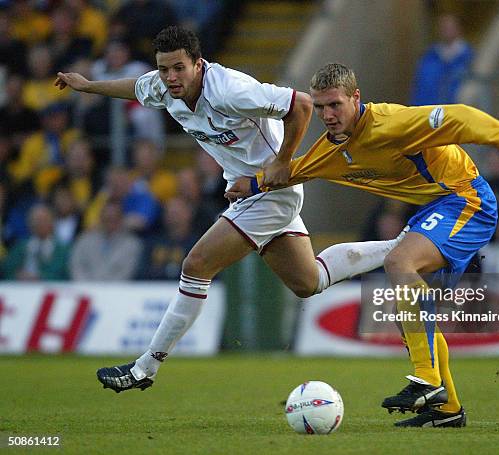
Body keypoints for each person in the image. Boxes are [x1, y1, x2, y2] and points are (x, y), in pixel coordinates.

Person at [55, 27, 400, 393]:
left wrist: (281, 163)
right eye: (163, 69)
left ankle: (145, 368)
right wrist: (88, 85)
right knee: (308, 281)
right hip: (246, 191)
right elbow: (134, 88)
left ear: (198, 64)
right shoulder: (162, 86)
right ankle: (402, 245)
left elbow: (299, 104)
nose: (171, 77)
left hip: (271, 192)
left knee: (196, 265)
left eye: (178, 69)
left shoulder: (229, 89)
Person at [227, 63, 499, 428]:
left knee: (399, 263)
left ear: (356, 98)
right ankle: (448, 410)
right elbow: (294, 170)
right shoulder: (332, 148)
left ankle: (427, 381)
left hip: (467, 200)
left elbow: (458, 117)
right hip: (438, 209)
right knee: (407, 312)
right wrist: (252, 185)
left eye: (335, 105)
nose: (327, 115)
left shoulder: (391, 124)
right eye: (319, 108)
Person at [410, 14, 473, 106]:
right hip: (429, 111)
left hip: (455, 113)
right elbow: (419, 87)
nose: (446, 31)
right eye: (443, 27)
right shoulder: (429, 57)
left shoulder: (469, 57)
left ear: (459, 28)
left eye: (450, 27)